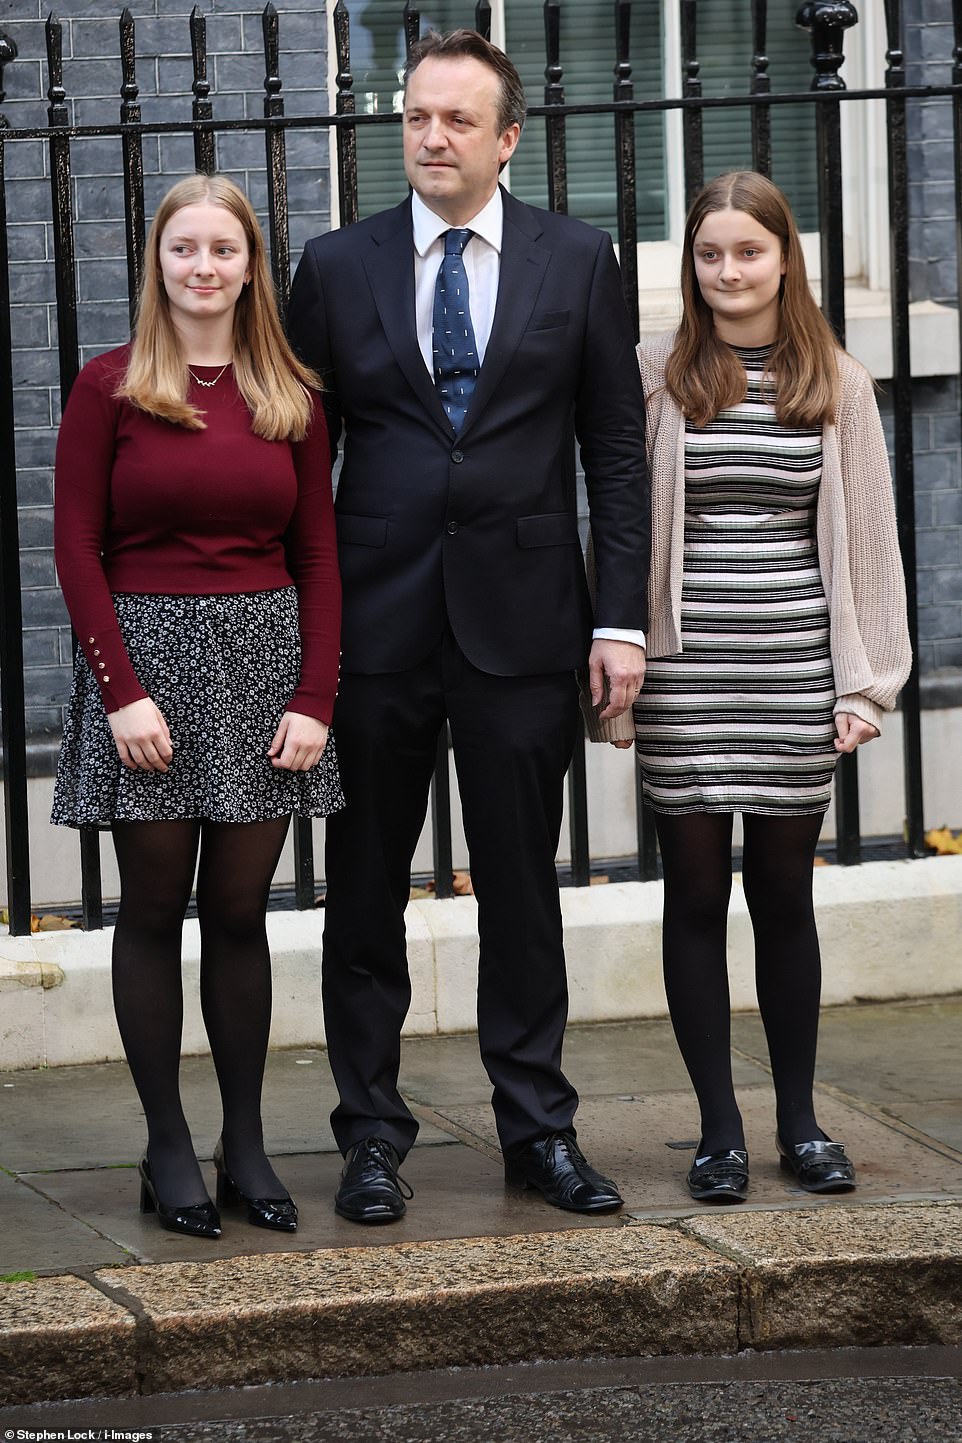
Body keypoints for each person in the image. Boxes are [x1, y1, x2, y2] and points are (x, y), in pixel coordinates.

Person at [288, 29, 649, 1223]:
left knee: (520, 890)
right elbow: (299, 459)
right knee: (362, 894)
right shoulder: (335, 268)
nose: (430, 139)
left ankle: (536, 1130)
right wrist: (302, 633)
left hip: (524, 624)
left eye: (456, 121)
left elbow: (611, 449)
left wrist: (621, 622)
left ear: (504, 139)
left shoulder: (577, 258)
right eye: (415, 118)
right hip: (377, 628)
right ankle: (371, 1137)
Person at [590, 171, 911, 1202]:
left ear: (783, 258)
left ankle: (801, 1124)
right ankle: (717, 1132)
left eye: (746, 251)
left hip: (791, 674)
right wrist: (620, 666)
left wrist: (866, 686)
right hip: (685, 673)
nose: (727, 271)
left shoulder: (837, 382)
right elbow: (617, 526)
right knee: (692, 894)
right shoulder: (652, 372)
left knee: (782, 897)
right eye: (708, 254)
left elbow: (870, 543)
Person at [51, 174, 343, 1239]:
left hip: (265, 664)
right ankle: (165, 1142)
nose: (204, 266)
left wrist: (315, 694)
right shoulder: (112, 388)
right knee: (152, 910)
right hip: (149, 666)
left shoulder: (291, 397)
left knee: (238, 916)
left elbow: (317, 551)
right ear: (159, 263)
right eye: (185, 249)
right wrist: (121, 690)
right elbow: (75, 549)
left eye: (224, 248)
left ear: (250, 266)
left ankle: (247, 1143)